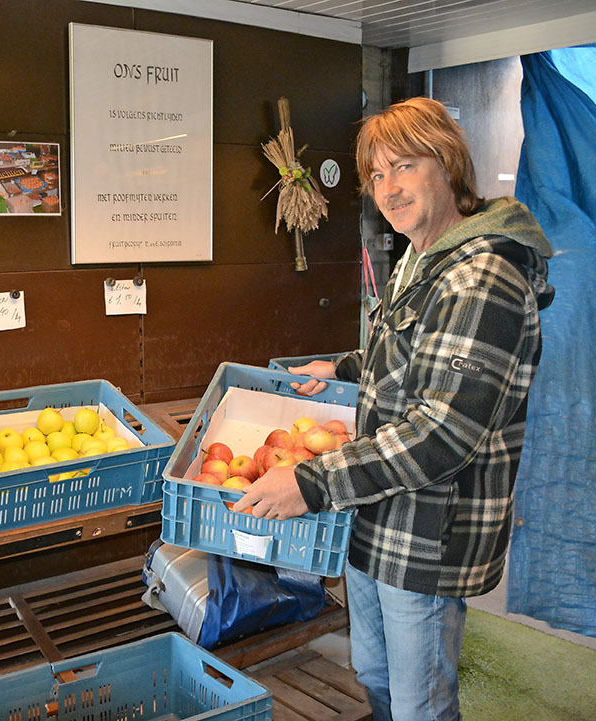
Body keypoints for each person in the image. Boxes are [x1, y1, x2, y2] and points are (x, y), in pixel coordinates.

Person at [234, 97, 554, 721]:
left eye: (404, 167)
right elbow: (410, 354)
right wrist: (342, 368)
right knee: (375, 676)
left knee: (420, 703)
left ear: (448, 165)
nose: (388, 188)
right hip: (375, 517)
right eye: (377, 175)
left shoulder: (482, 277)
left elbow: (442, 432)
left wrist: (310, 481)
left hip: (426, 536)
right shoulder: (420, 258)